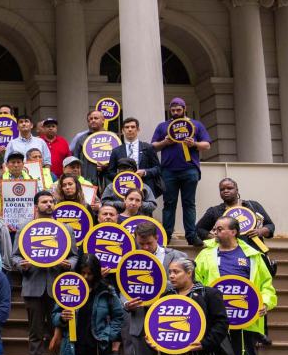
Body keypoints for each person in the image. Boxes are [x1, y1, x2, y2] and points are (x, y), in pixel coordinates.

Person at [196, 215, 277, 355]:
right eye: (214, 228)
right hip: (216, 317)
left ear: (233, 232)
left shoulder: (253, 255)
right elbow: (196, 282)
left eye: (220, 228)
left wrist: (265, 303)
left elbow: (266, 285)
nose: (215, 232)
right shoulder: (205, 254)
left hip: (246, 316)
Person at [122, 222, 181, 355]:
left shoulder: (175, 256)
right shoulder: (131, 259)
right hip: (140, 323)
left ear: (157, 238)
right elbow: (124, 287)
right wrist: (126, 303)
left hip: (169, 323)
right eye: (141, 244)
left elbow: (183, 283)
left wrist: (156, 290)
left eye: (148, 243)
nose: (145, 248)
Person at [20, 190, 77, 355]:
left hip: (58, 287)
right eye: (44, 202)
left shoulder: (66, 230)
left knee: (57, 329)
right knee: (35, 331)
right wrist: (22, 264)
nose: (49, 204)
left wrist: (70, 264)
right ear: (36, 206)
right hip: (33, 286)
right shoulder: (25, 228)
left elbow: (75, 255)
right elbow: (13, 257)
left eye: (52, 201)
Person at [151, 97, 212, 247]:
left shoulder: (196, 125)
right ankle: (166, 235)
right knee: (169, 204)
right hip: (168, 171)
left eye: (178, 110)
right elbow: (153, 146)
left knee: (189, 203)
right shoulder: (163, 126)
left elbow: (207, 145)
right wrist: (165, 142)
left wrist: (194, 143)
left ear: (184, 109)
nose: (176, 112)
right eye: (173, 110)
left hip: (190, 170)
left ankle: (191, 235)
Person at [194, 177, 276, 252]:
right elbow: (199, 229)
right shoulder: (215, 211)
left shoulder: (253, 205)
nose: (225, 191)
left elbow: (270, 225)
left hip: (255, 252)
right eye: (222, 189)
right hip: (228, 255)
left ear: (237, 190)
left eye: (229, 188)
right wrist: (215, 238)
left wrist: (260, 231)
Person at [109, 117, 161, 194]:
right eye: (127, 127)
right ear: (123, 130)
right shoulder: (116, 151)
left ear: (138, 129)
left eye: (133, 127)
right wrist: (121, 176)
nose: (130, 129)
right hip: (123, 189)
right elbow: (110, 173)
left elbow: (158, 169)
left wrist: (145, 172)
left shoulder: (148, 147)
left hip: (145, 189)